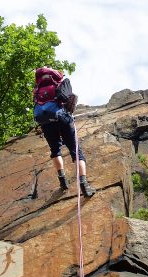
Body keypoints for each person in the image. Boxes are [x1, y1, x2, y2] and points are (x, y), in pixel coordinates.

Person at [33, 66, 96, 197]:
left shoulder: (37, 89)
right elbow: (70, 99)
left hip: (46, 122)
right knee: (76, 151)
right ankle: (84, 185)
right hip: (63, 119)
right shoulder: (61, 82)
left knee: (55, 151)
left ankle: (63, 182)